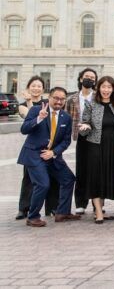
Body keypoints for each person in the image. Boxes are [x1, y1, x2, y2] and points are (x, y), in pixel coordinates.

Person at [17, 87, 80, 227]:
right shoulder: (36, 110)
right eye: (56, 98)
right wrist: (39, 118)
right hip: (34, 155)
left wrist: (54, 152)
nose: (59, 101)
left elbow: (66, 141)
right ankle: (33, 217)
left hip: (52, 156)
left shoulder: (66, 117)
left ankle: (62, 212)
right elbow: (24, 129)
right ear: (49, 98)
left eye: (62, 99)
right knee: (43, 184)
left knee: (68, 179)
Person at [79, 76, 114, 223]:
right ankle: (99, 212)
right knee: (96, 177)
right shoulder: (91, 104)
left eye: (109, 87)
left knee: (106, 177)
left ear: (113, 89)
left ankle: (100, 209)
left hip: (112, 146)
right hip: (95, 145)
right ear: (98, 88)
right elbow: (85, 124)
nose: (106, 90)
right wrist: (85, 127)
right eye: (103, 87)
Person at [16, 76, 59, 220]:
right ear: (28, 88)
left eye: (39, 86)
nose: (36, 88)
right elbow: (29, 117)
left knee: (52, 177)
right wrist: (29, 102)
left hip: (49, 146)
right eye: (33, 86)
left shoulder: (49, 103)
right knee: (28, 179)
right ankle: (24, 208)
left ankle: (52, 207)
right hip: (33, 148)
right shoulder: (23, 105)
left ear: (43, 89)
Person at [66, 67, 96, 215]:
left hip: (97, 137)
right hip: (81, 137)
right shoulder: (71, 99)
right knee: (82, 170)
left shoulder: (98, 97)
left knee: (96, 170)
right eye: (86, 76)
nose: (89, 79)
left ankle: (98, 203)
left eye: (92, 77)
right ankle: (80, 203)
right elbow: (65, 118)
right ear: (80, 79)